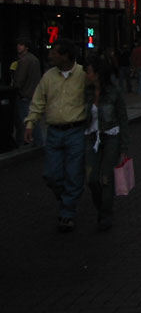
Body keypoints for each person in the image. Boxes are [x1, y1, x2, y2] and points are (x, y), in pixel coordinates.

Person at [24, 39, 87, 232]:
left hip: (76, 131)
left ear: (66, 56)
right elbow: (38, 101)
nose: (50, 55)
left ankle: (67, 213)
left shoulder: (83, 75)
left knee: (74, 174)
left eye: (54, 52)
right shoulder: (48, 77)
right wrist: (30, 122)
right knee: (51, 175)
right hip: (54, 132)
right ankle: (67, 199)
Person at [83, 57, 130, 231]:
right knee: (92, 179)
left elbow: (123, 118)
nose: (86, 75)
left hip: (111, 136)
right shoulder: (86, 92)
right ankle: (102, 208)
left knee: (106, 178)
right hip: (91, 137)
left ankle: (105, 214)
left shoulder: (114, 92)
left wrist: (124, 147)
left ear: (97, 74)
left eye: (89, 71)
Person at [12, 37, 41, 147]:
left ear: (26, 47)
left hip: (24, 94)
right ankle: (36, 142)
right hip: (33, 93)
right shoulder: (34, 59)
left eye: (21, 45)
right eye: (18, 44)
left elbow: (19, 80)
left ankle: (27, 141)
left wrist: (15, 86)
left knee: (25, 121)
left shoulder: (24, 60)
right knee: (33, 119)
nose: (19, 47)